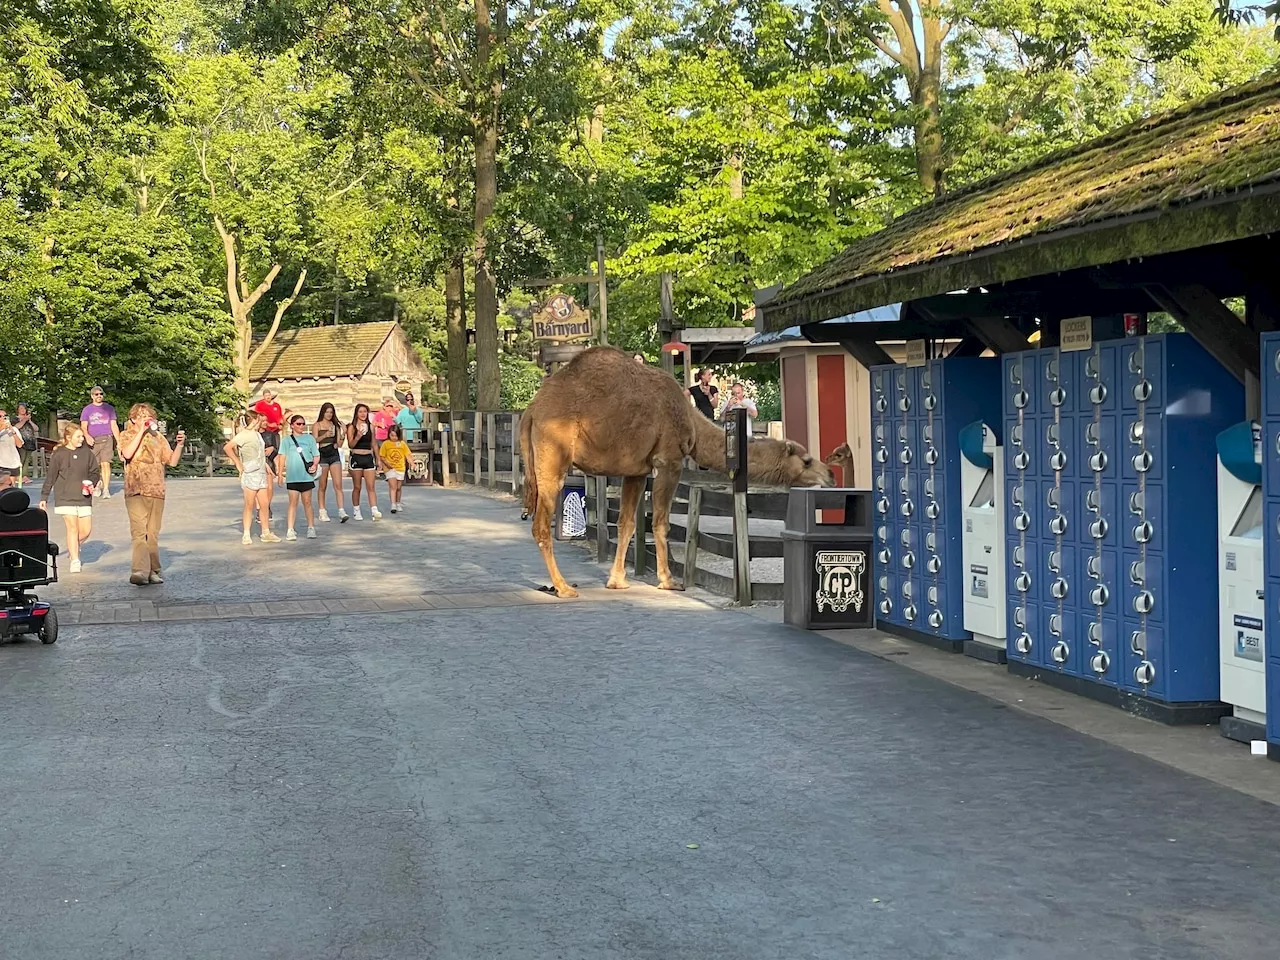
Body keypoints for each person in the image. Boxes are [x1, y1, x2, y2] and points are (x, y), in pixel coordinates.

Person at [119, 403, 186, 586]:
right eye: (141, 416)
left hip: (156, 489)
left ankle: (153, 570)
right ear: (133, 419)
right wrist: (141, 431)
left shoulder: (159, 437)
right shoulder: (126, 435)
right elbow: (127, 453)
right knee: (139, 532)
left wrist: (179, 445)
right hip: (135, 489)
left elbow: (171, 461)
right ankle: (139, 571)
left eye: (148, 416)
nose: (146, 419)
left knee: (152, 533)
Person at [39, 425, 96, 573]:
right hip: (64, 496)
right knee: (72, 528)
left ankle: (74, 547)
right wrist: (44, 496)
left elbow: (95, 472)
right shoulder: (59, 454)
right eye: (78, 437)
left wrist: (92, 483)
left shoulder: (87, 453)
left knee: (86, 530)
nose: (81, 439)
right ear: (68, 438)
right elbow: (51, 476)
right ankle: (75, 560)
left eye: (82, 436)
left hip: (84, 496)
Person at [224, 410, 279, 544]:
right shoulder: (243, 435)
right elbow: (228, 447)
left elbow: (260, 453)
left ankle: (265, 532)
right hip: (250, 471)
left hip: (260, 471)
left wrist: (266, 466)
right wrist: (237, 462)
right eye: (259, 419)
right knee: (249, 504)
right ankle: (246, 533)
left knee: (264, 503)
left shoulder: (257, 435)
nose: (261, 421)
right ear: (254, 420)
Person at [275, 413, 320, 541]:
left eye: (303, 423)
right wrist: (279, 474)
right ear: (292, 426)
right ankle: (290, 529)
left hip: (306, 476)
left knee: (307, 502)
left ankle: (311, 527)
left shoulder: (309, 439)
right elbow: (282, 457)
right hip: (292, 476)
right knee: (292, 503)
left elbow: (316, 455)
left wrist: (315, 465)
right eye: (298, 424)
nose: (301, 426)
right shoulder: (286, 441)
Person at [80, 385, 123, 497]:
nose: (99, 396)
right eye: (96, 394)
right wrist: (87, 436)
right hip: (93, 440)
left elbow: (114, 425)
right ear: (92, 396)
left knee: (106, 463)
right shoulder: (87, 410)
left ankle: (106, 489)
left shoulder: (109, 409)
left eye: (101, 394)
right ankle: (97, 483)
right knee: (94, 465)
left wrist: (118, 441)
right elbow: (83, 426)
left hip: (107, 438)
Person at [314, 402, 349, 523]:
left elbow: (339, 444)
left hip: (333, 454)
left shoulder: (335, 425)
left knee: (338, 484)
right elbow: (314, 441)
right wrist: (324, 435)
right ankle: (322, 511)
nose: (329, 414)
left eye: (331, 412)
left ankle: (341, 510)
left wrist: (343, 434)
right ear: (323, 412)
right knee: (322, 485)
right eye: (327, 412)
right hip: (322, 454)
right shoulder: (317, 425)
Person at [346, 403, 382, 521]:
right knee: (357, 486)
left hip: (368, 457)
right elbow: (350, 444)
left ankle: (374, 510)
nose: (363, 414)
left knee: (371, 486)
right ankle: (356, 510)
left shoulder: (371, 426)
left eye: (365, 412)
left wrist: (378, 459)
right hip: (356, 457)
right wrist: (358, 436)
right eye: (360, 411)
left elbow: (374, 444)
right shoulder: (352, 427)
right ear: (356, 413)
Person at [379, 424, 412, 513]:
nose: (394, 438)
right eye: (392, 435)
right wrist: (386, 463)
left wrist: (412, 463)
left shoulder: (402, 444)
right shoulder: (386, 444)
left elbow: (407, 454)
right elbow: (382, 456)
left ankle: (398, 502)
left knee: (398, 487)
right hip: (389, 468)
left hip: (400, 467)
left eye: (396, 436)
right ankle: (393, 504)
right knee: (393, 486)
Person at [252, 389, 284, 463]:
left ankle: (276, 468)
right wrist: (269, 424)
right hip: (264, 432)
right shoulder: (259, 405)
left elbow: (280, 417)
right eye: (266, 396)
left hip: (275, 432)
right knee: (265, 450)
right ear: (263, 396)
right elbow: (258, 417)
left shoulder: (276, 405)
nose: (268, 397)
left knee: (276, 450)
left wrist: (280, 424)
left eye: (269, 395)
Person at [14, 403, 38, 482]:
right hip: (21, 441)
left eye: (24, 408)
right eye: (20, 408)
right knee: (21, 459)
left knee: (27, 460)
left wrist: (30, 421)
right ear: (17, 410)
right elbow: (16, 427)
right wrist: (24, 420)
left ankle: (24, 476)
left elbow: (36, 428)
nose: (22, 410)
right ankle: (19, 476)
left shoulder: (29, 419)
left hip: (30, 441)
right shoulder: (15, 419)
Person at [0, 408, 24, 484]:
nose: (3, 418)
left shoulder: (13, 429)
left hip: (12, 462)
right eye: (0, 416)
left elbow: (19, 445)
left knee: (11, 487)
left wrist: (12, 431)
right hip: (1, 463)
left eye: (5, 416)